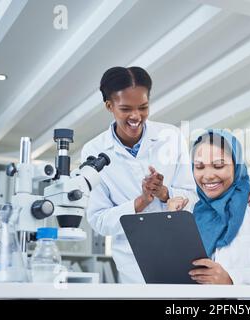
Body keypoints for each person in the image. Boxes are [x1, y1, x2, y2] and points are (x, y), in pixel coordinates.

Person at [81, 66, 197, 283]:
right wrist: (140, 202)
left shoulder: (171, 136)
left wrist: (164, 193)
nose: (136, 116)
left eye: (143, 107)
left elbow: (194, 198)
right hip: (133, 265)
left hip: (180, 254)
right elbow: (98, 219)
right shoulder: (93, 150)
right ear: (109, 106)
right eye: (125, 109)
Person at [168, 130, 250, 290]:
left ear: (236, 166)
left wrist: (231, 278)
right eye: (199, 167)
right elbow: (174, 273)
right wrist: (171, 223)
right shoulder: (189, 211)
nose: (208, 175)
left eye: (218, 165)